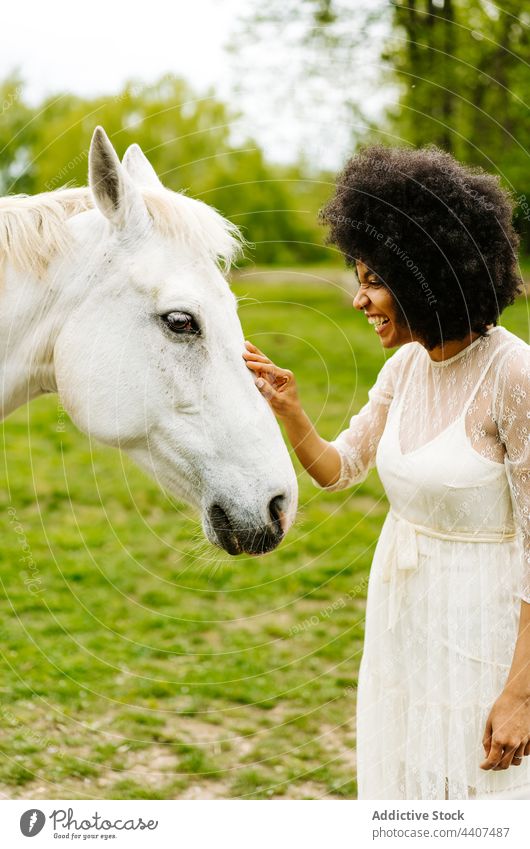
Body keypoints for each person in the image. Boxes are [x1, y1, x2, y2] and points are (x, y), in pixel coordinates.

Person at [242, 145, 530, 800]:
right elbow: (339, 469)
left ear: (420, 274)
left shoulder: (514, 375)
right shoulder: (404, 368)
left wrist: (519, 693)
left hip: (486, 635)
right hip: (406, 626)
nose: (358, 299)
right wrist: (290, 410)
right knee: (409, 787)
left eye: (373, 280)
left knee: (485, 801)